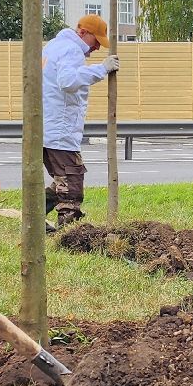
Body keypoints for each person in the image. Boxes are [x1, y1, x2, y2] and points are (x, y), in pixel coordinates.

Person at [41, 13, 119, 228]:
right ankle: (69, 233)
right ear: (83, 33)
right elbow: (67, 82)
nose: (97, 48)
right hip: (60, 129)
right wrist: (101, 69)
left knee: (61, 180)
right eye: (96, 41)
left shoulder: (53, 46)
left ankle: (33, 215)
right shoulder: (72, 50)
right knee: (72, 184)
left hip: (47, 127)